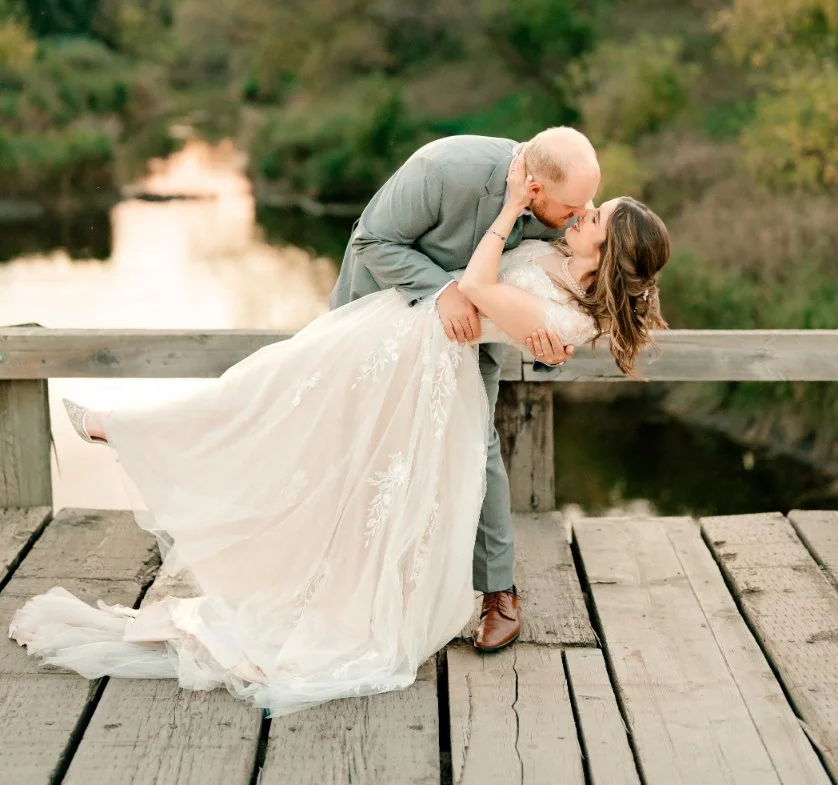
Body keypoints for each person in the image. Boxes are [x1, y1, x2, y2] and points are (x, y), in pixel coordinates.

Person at [9, 141, 670, 718]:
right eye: (583, 206)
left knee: (366, 452)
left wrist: (509, 227)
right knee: (271, 399)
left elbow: (484, 287)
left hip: (424, 358)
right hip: (393, 333)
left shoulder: (561, 286)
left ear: (605, 251)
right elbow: (382, 243)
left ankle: (414, 591)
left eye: (594, 215)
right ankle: (129, 429)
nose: (584, 212)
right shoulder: (466, 181)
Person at [330, 127, 602, 651]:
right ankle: (356, 579)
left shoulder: (565, 211)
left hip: (470, 338)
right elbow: (371, 239)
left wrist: (548, 348)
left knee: (476, 444)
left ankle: (499, 590)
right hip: (384, 320)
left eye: (587, 204)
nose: (581, 215)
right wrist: (443, 291)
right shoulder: (443, 169)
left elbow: (555, 289)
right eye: (572, 207)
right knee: (371, 445)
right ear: (536, 189)